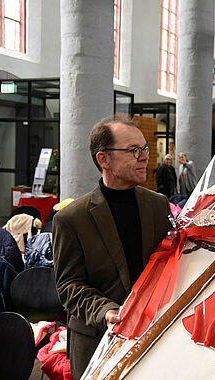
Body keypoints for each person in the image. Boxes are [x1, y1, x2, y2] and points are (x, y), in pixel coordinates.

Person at [52, 115, 171, 379]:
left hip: (150, 334)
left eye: (145, 149)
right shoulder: (71, 219)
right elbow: (68, 286)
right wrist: (106, 311)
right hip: (96, 340)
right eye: (134, 151)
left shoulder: (158, 205)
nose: (144, 157)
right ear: (103, 159)